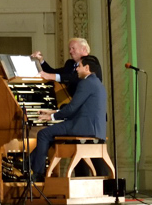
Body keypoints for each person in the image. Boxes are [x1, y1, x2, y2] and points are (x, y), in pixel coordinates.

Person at [29, 55, 107, 183]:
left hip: (83, 127)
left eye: (79, 66)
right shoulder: (96, 82)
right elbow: (78, 108)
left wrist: (52, 117)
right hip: (92, 126)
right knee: (50, 135)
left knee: (43, 133)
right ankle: (29, 162)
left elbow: (71, 108)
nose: (76, 69)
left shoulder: (85, 83)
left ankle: (38, 173)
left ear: (87, 68)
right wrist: (53, 111)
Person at [31, 38, 102, 96]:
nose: (70, 51)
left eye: (73, 48)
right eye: (69, 49)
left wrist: (52, 76)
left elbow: (75, 78)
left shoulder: (92, 61)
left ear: (83, 49)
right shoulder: (70, 64)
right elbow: (52, 72)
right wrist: (41, 60)